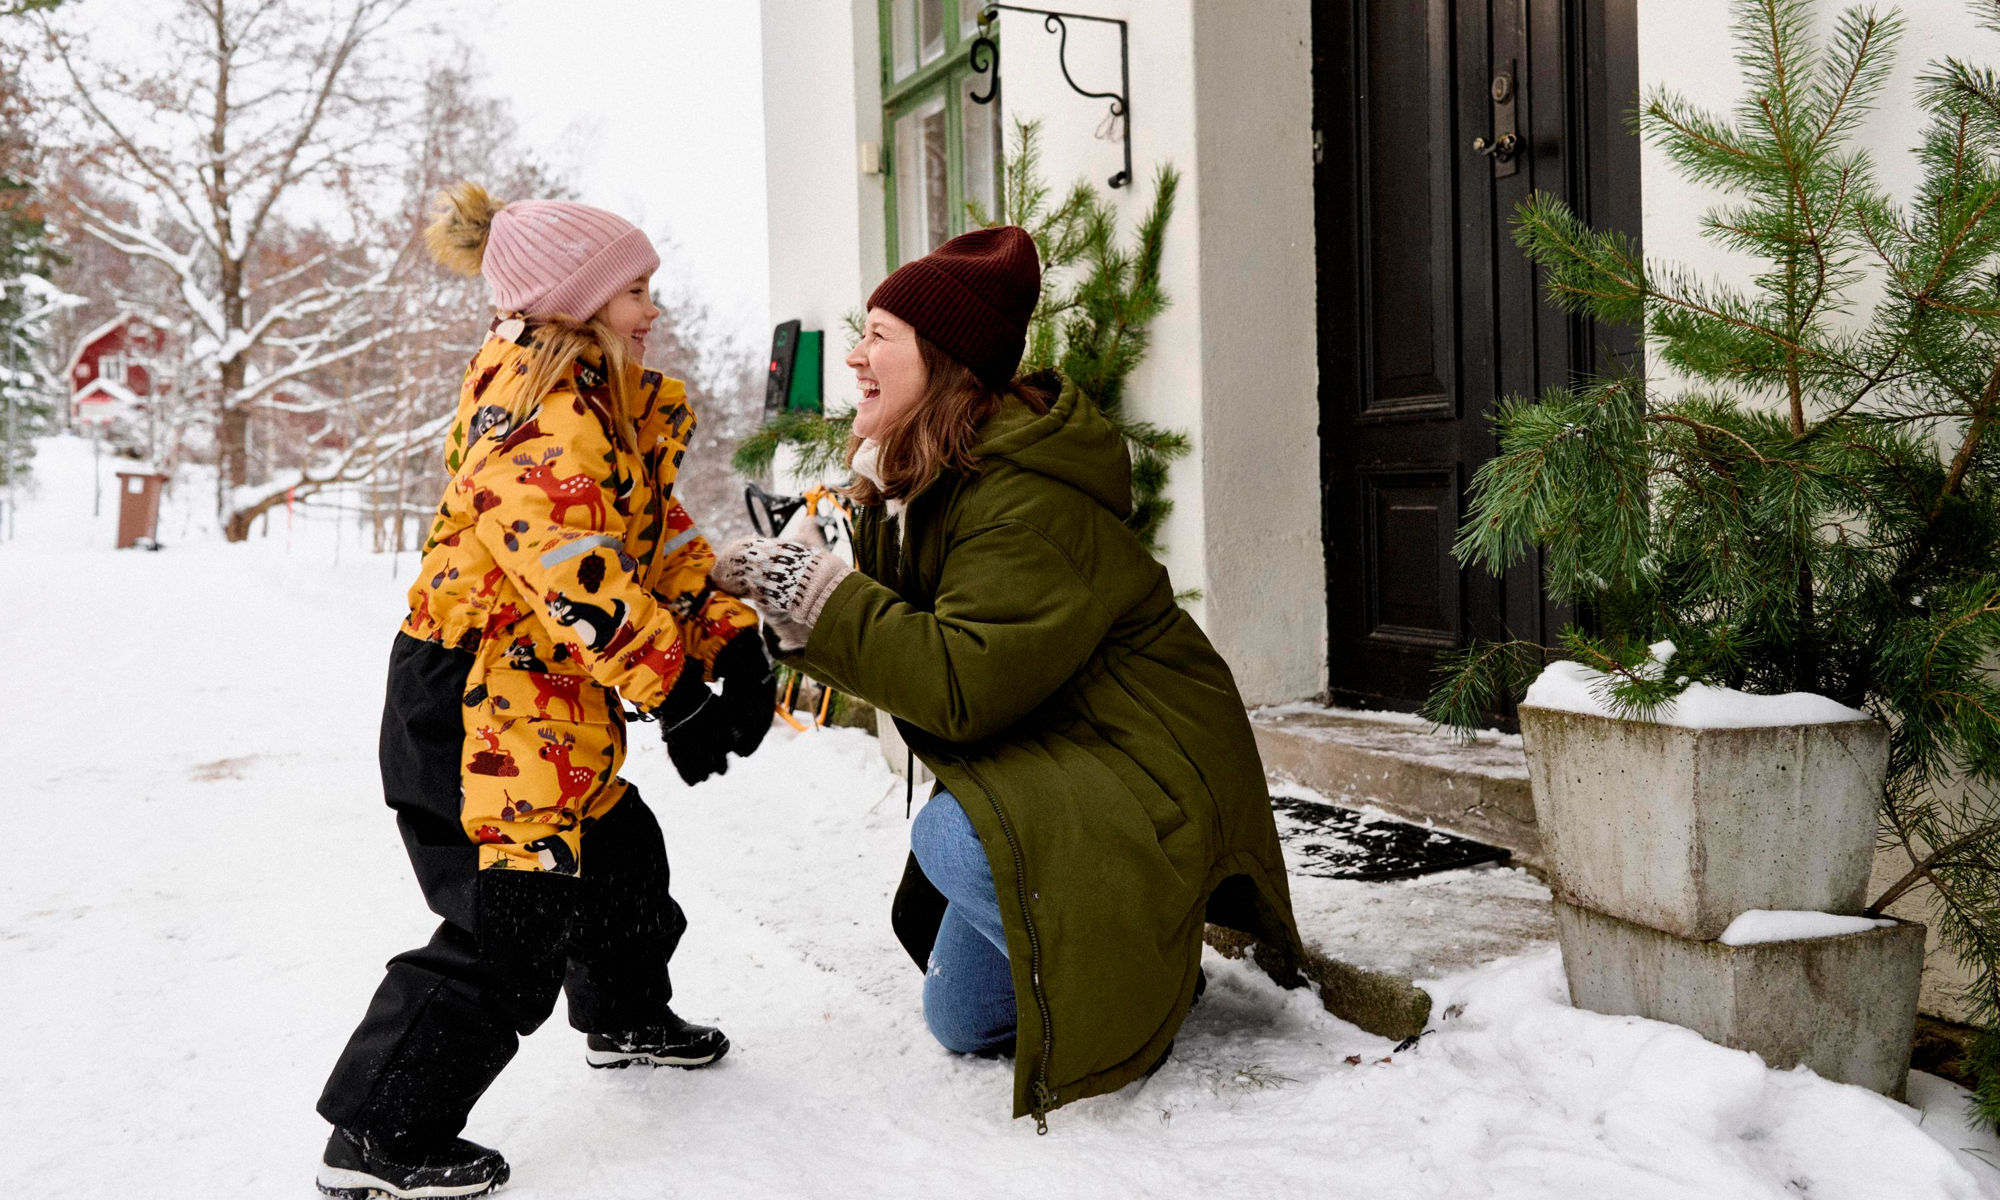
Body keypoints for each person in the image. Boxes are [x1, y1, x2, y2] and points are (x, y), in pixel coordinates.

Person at [711, 226, 1304, 1132]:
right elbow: (905, 647)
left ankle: (1145, 962)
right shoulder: (922, 477)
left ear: (941, 360)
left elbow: (961, 681)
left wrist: (823, 599)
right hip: (1063, 745)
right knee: (960, 1019)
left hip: (1146, 763)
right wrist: (808, 599)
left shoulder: (1023, 495)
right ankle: (1111, 946)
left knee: (952, 836)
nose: (857, 356)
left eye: (880, 334)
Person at [313, 182, 775, 1199]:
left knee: (618, 855)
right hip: (475, 703)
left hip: (551, 697)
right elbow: (576, 570)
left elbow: (651, 545)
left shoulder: (606, 412)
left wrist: (724, 638)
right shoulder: (528, 422)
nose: (651, 310)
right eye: (634, 291)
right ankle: (382, 1134)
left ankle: (622, 1016)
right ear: (572, 302)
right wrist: (673, 691)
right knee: (508, 917)